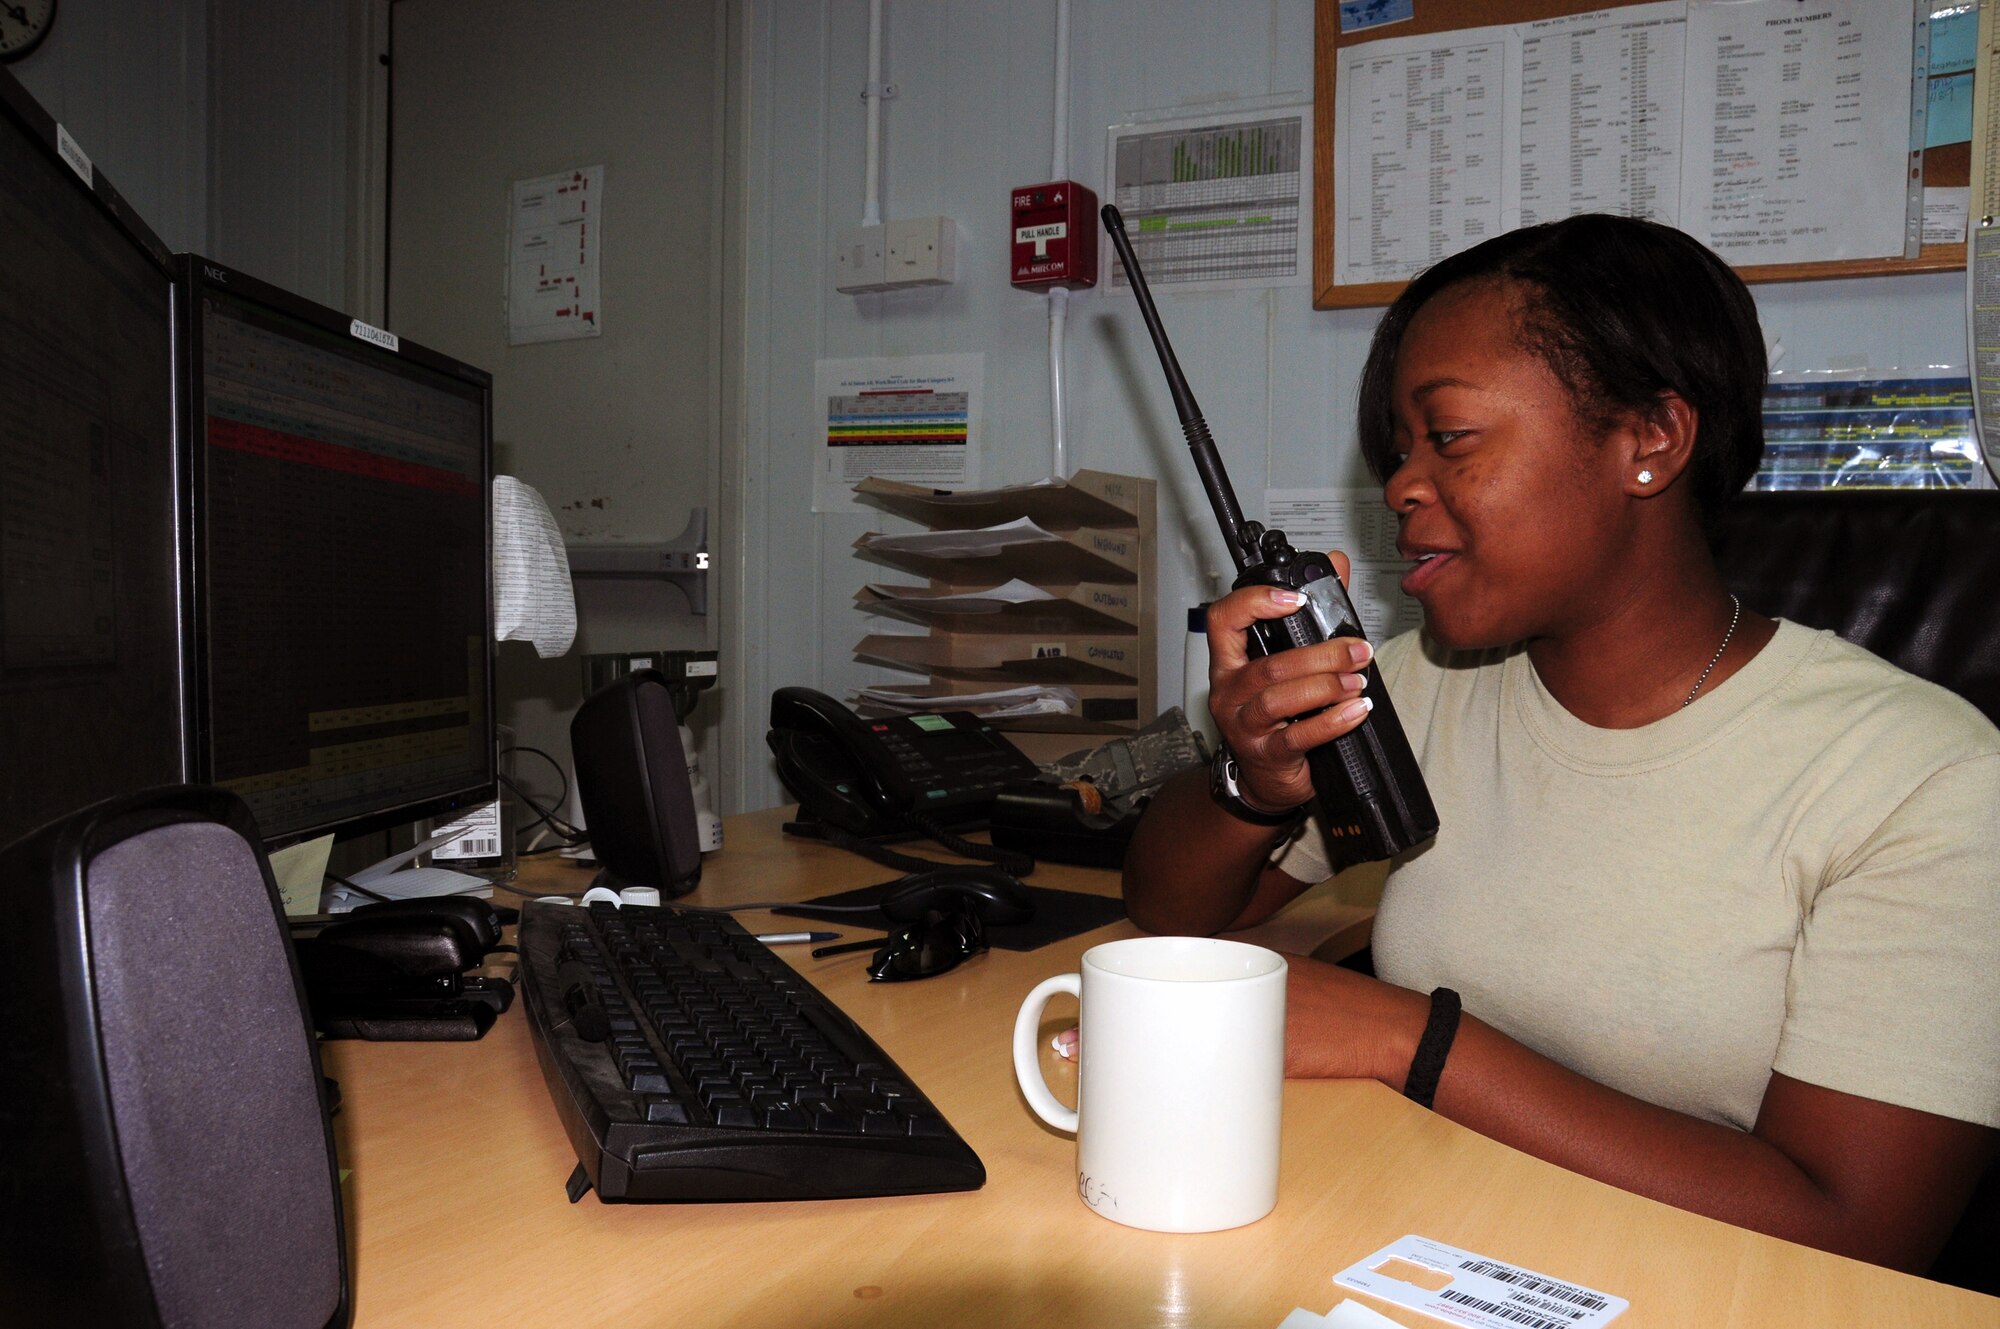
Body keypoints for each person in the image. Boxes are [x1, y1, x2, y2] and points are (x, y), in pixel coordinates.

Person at [1116, 214, 2000, 1274]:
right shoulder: (1419, 686)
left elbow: (1855, 1229)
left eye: (1445, 439)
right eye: (1396, 453)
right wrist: (1249, 781)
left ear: (1648, 442)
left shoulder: (1926, 780)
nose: (1399, 485)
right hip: (1432, 1244)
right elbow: (1171, 914)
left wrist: (1402, 1039)